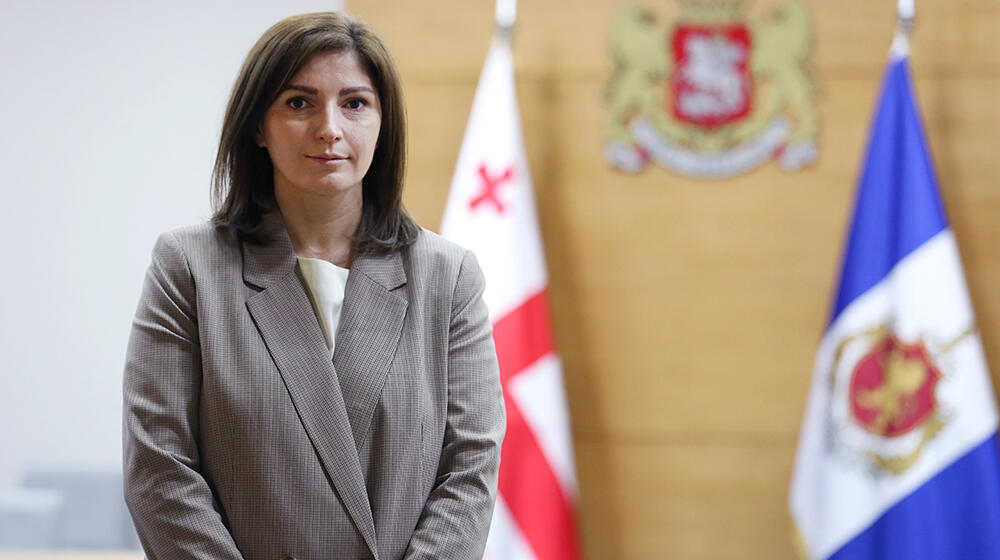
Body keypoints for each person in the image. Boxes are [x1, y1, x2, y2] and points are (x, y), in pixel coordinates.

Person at [122, 12, 505, 560]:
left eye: (355, 103)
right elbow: (159, 470)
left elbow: (470, 469)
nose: (330, 127)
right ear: (258, 125)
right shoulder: (188, 267)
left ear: (382, 122)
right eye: (299, 103)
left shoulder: (448, 276)